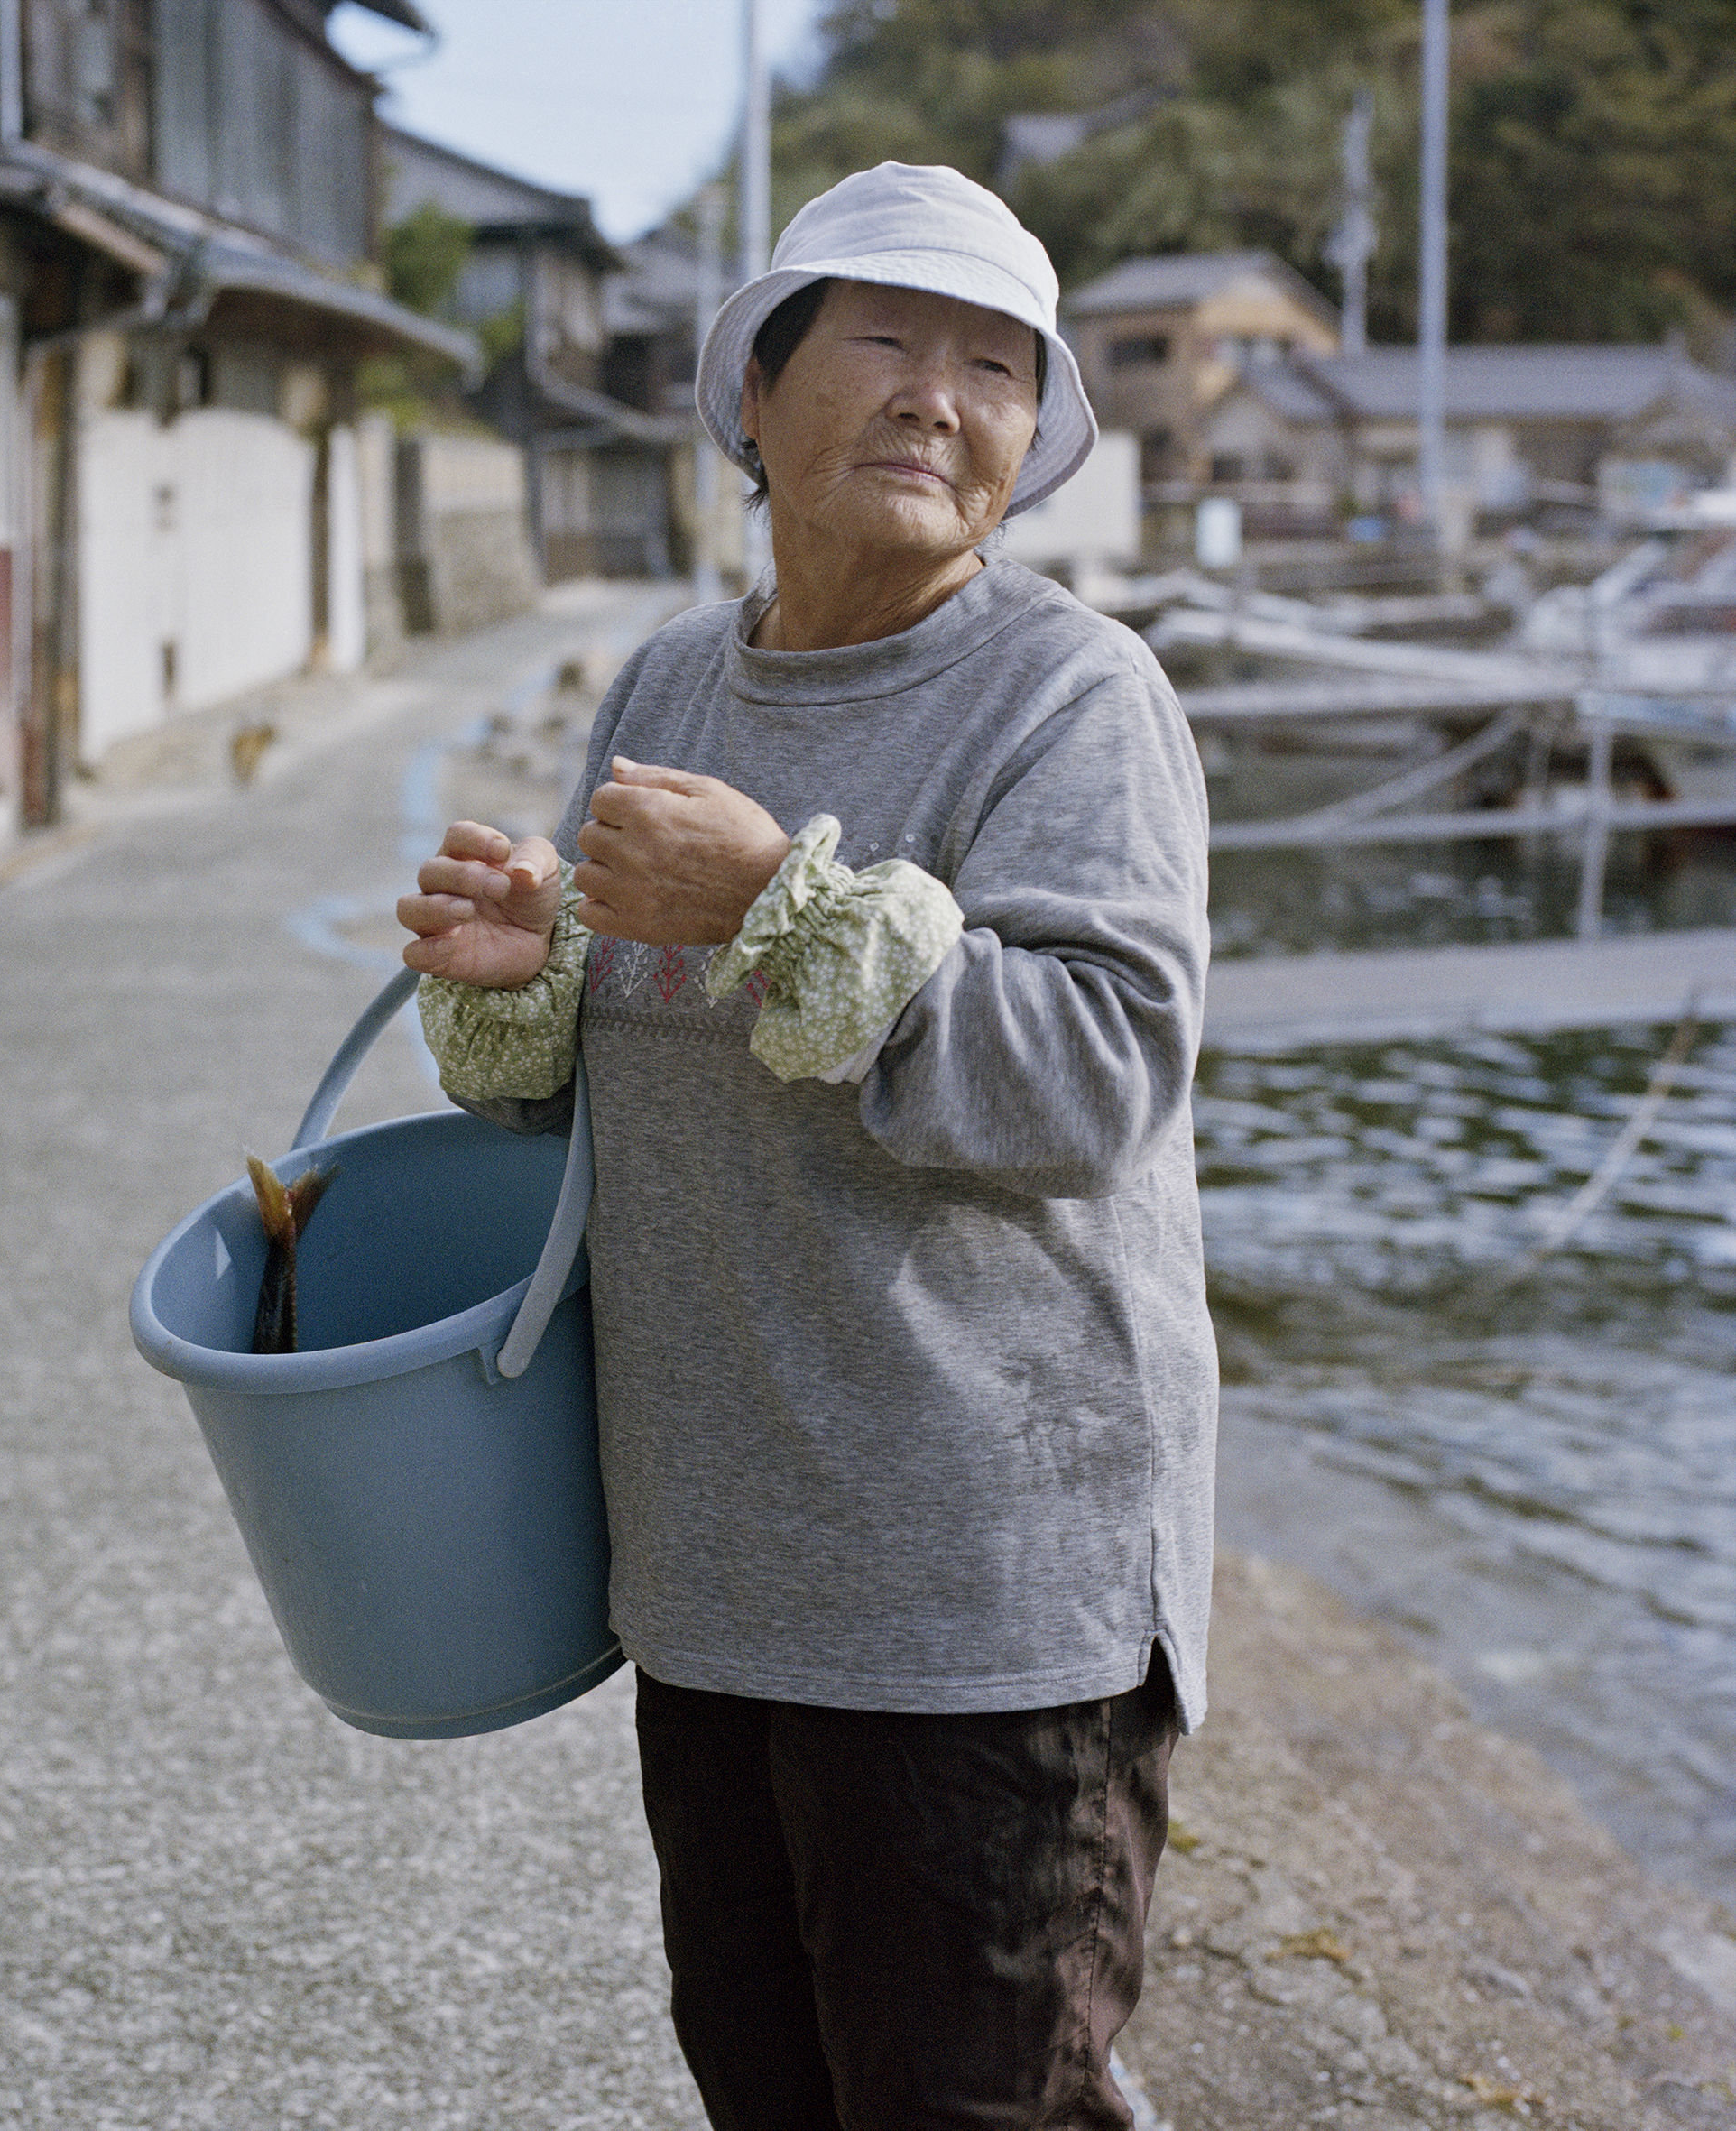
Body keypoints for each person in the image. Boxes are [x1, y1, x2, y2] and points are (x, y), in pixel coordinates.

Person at [397, 161, 1214, 2131]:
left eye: (994, 365)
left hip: (980, 1607)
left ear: (1025, 446)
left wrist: (779, 903)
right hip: (715, 1575)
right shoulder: (670, 686)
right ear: (749, 399)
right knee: (767, 2087)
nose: (937, 394)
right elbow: (602, 1096)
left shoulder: (1070, 699)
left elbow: (1095, 1069)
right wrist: (521, 987)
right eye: (881, 337)